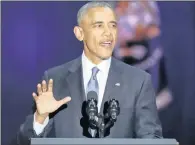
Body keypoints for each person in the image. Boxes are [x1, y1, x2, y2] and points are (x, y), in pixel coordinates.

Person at [16, 2, 162, 145]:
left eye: (113, 25)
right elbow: (24, 141)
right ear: (80, 33)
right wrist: (40, 118)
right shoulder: (55, 80)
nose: (108, 33)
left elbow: (150, 137)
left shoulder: (139, 81)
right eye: (99, 26)